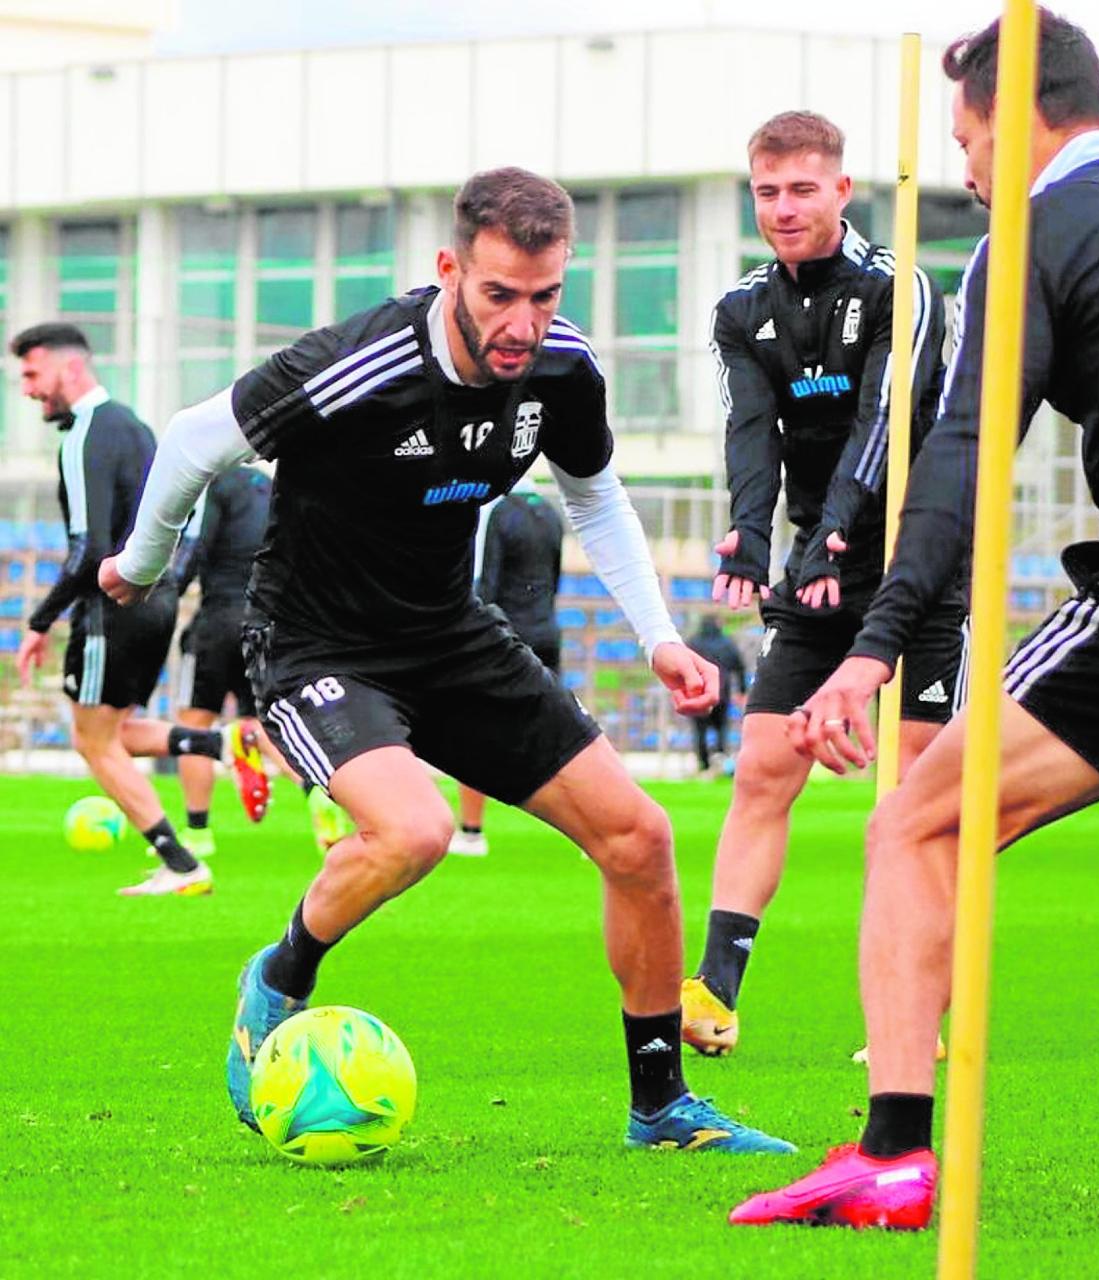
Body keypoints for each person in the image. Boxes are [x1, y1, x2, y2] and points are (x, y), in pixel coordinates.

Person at [100, 167, 795, 1155]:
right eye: (499, 294)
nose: (524, 322)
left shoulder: (561, 367)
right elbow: (193, 438)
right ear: (449, 269)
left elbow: (594, 495)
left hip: (450, 633)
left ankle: (661, 1107)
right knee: (416, 827)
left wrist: (659, 636)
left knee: (639, 838)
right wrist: (140, 561)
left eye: (546, 294)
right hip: (316, 642)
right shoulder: (358, 362)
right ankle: (283, 971)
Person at [730, 10, 1099, 1228]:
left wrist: (870, 651)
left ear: (1015, 122)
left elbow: (959, 463)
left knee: (915, 823)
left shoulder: (1026, 237)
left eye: (965, 138)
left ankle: (894, 1153)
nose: (961, 168)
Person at [681, 111, 966, 1058]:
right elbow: (750, 432)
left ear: (844, 192)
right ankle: (714, 991)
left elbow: (880, 428)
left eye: (803, 189)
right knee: (763, 766)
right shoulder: (742, 311)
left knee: (914, 800)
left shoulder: (901, 287)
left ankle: (921, 1013)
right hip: (815, 571)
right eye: (767, 191)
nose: (783, 208)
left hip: (915, 566)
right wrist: (748, 539)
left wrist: (838, 530)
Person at [9, 323, 256, 897]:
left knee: (92, 741)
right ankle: (220, 744)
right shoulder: (135, 428)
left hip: (113, 604)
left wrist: (40, 621)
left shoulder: (85, 434)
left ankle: (181, 863)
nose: (26, 389)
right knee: (117, 729)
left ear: (69, 368)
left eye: (31, 373)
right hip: (157, 597)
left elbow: (88, 549)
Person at [172, 465, 351, 855]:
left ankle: (197, 832)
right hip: (265, 624)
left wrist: (170, 595)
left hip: (217, 620)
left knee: (194, 719)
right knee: (262, 720)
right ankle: (314, 791)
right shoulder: (275, 490)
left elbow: (196, 544)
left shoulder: (214, 484)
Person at [448, 480, 565, 857]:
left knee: (472, 728)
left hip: (508, 636)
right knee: (564, 732)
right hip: (547, 630)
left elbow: (488, 583)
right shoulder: (550, 513)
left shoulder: (497, 511)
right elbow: (555, 579)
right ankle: (595, 823)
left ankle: (471, 832)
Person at [685, 614, 746, 777]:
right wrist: (741, 690)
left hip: (698, 693)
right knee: (721, 729)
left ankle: (704, 765)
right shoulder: (727, 643)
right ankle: (720, 762)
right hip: (721, 694)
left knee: (700, 730)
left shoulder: (693, 642)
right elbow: (740, 667)